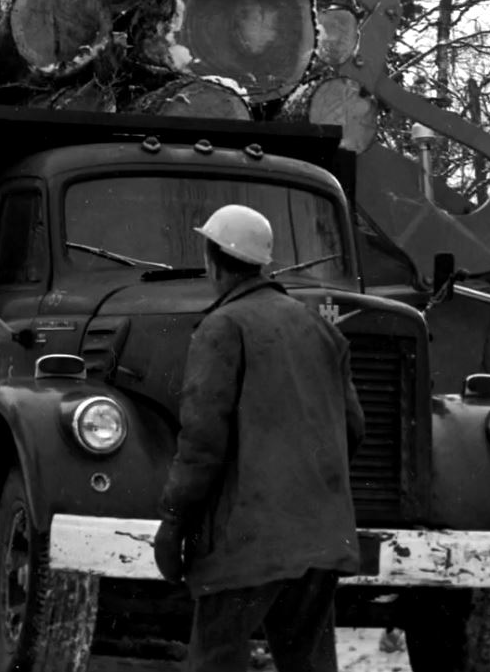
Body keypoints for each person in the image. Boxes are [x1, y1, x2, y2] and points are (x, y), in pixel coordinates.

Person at [153, 204, 365, 672]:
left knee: (215, 661)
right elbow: (352, 429)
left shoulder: (222, 327)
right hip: (320, 538)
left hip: (246, 539)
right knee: (308, 665)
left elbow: (203, 443)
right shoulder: (320, 327)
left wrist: (173, 521)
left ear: (213, 259)